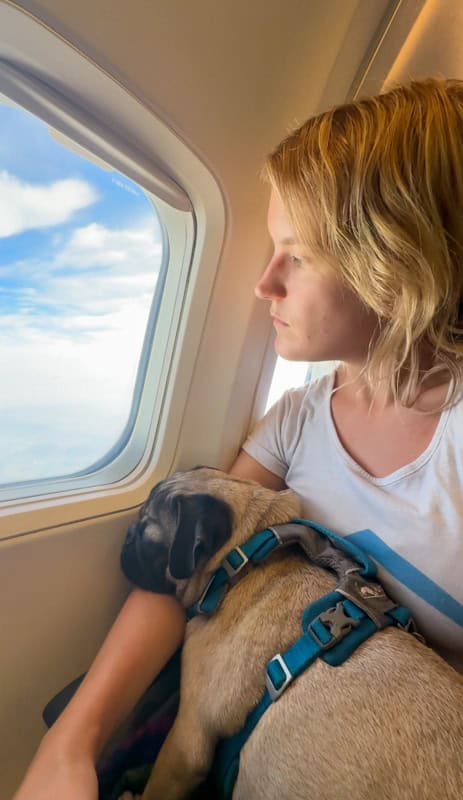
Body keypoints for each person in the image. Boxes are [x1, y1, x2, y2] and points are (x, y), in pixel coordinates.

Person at [14, 77, 463, 800]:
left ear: (393, 264)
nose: (263, 284)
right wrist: (73, 742)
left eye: (298, 254)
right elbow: (187, 573)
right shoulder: (296, 420)